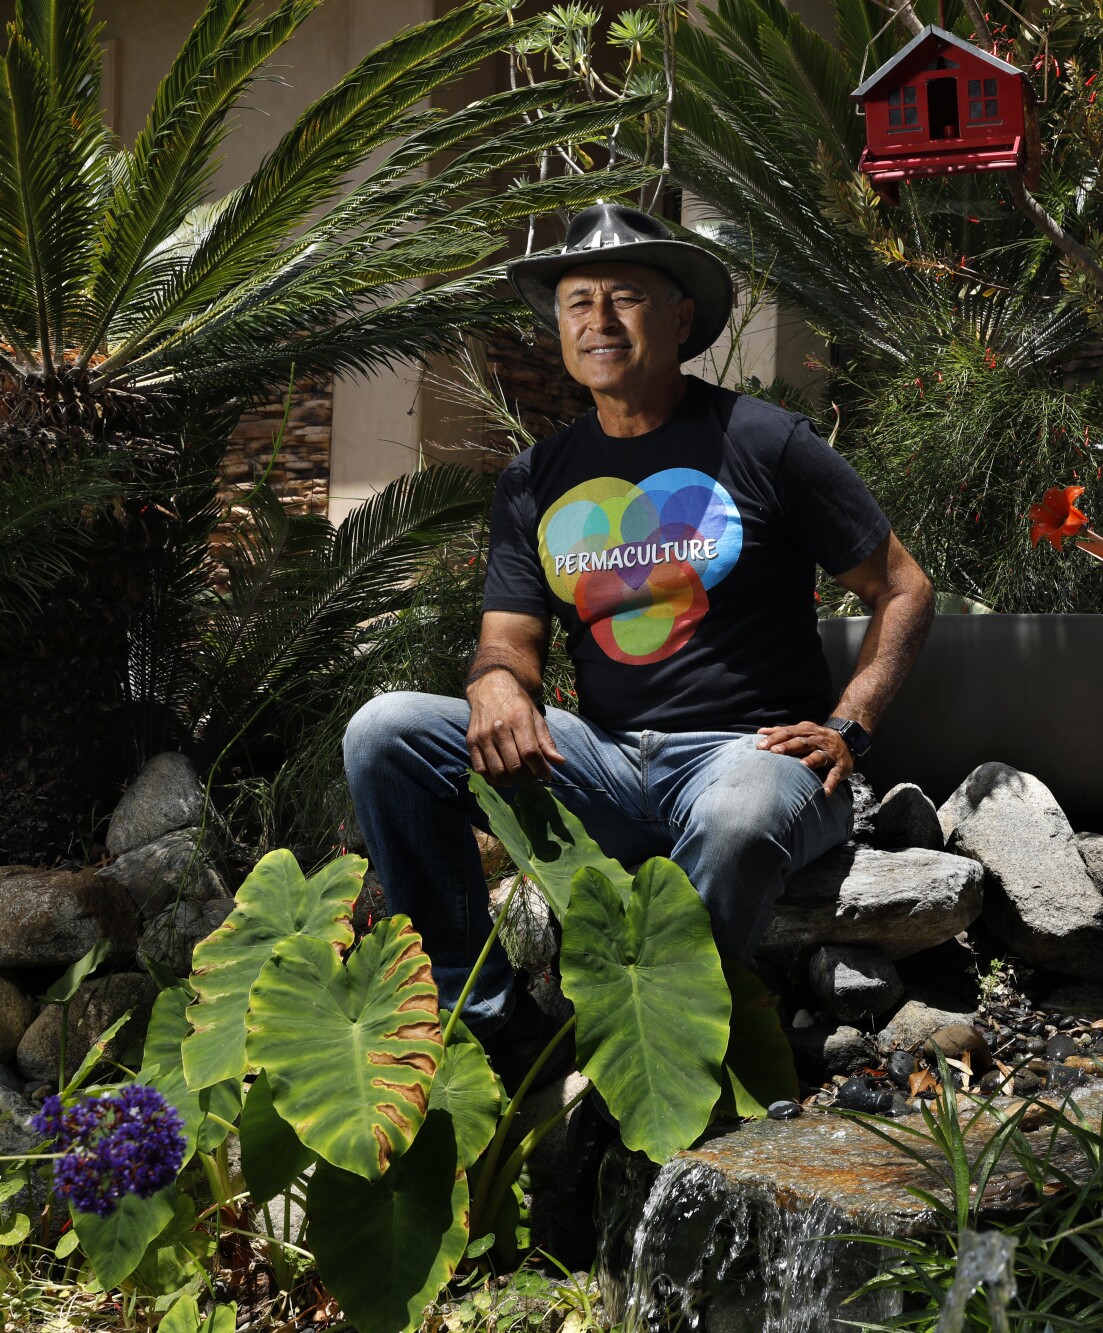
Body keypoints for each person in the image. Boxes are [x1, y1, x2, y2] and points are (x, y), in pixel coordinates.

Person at [342, 204, 934, 1092]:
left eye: (624, 298)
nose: (599, 321)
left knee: (734, 818)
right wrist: (499, 684)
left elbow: (903, 587)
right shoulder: (537, 478)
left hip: (754, 756)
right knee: (384, 731)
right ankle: (490, 1024)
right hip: (608, 763)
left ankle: (646, 1051)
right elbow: (508, 638)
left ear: (681, 318)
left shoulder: (764, 441)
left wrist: (851, 727)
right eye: (578, 302)